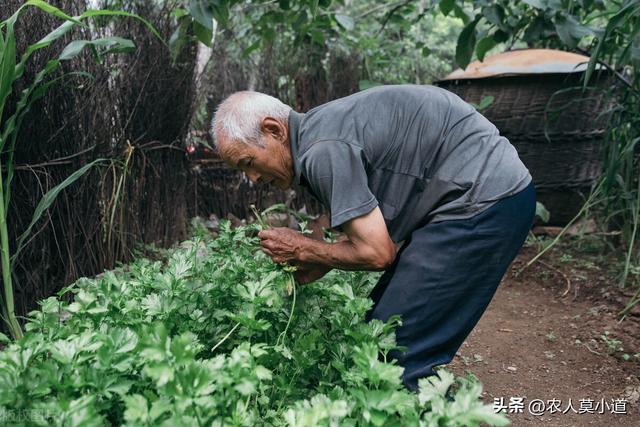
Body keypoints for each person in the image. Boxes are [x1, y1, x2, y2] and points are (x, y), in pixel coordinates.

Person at [211, 85, 536, 390]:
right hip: (476, 193)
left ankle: (443, 416)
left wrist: (306, 249)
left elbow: (378, 254)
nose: (252, 178)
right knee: (378, 330)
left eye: (248, 163)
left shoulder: (322, 150)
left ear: (274, 130)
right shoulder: (317, 133)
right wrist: (318, 253)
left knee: (391, 355)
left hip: (485, 198)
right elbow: (345, 215)